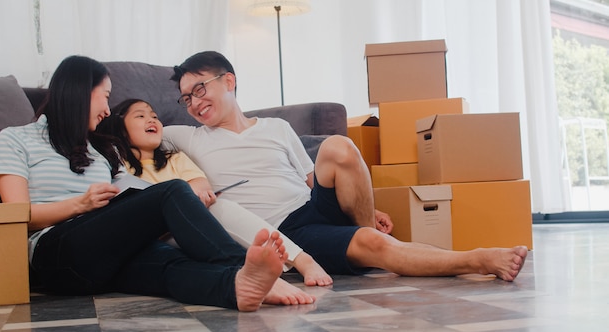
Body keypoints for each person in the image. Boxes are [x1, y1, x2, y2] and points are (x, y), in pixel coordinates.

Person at [163, 50, 529, 282]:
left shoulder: (277, 128)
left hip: (311, 206)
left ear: (228, 81)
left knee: (339, 145)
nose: (193, 103)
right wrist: (190, 179)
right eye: (185, 98)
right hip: (286, 230)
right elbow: (138, 131)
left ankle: (368, 231)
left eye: (199, 89)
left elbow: (311, 180)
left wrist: (366, 206)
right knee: (372, 241)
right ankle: (478, 259)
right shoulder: (188, 138)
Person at [0, 55, 315, 312]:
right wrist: (81, 204)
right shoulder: (17, 138)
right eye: (104, 97)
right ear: (78, 92)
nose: (107, 109)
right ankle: (241, 266)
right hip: (54, 252)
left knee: (171, 264)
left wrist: (183, 210)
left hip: (103, 258)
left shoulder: (101, 149)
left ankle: (237, 287)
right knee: (172, 190)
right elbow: (19, 216)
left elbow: (134, 192)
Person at [95, 98, 332, 286]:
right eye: (141, 115)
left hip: (183, 228)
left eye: (154, 116)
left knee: (220, 207)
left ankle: (300, 259)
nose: (152, 120)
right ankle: (252, 269)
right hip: (145, 233)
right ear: (119, 127)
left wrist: (199, 195)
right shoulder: (114, 160)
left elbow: (199, 184)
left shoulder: (174, 159)